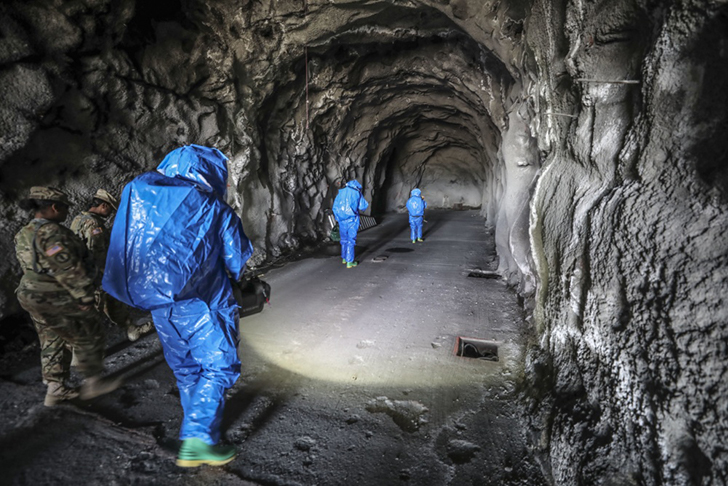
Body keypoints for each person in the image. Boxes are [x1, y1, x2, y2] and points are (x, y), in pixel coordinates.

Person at [103, 144, 254, 468]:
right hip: (203, 304)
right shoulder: (213, 207)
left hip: (161, 306)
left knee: (186, 370)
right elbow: (236, 258)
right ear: (211, 172)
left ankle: (196, 429)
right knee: (218, 366)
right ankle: (198, 439)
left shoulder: (142, 196)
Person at [14, 186, 121, 406]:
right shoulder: (52, 233)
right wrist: (83, 297)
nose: (66, 213)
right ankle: (93, 382)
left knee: (52, 338)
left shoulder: (24, 232)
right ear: (54, 207)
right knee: (90, 332)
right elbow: (67, 268)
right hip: (53, 294)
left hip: (30, 294)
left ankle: (55, 389)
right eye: (64, 208)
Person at [70, 189, 154, 342]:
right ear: (103, 205)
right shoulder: (94, 224)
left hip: (84, 273)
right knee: (95, 309)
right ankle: (87, 347)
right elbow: (97, 253)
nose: (110, 214)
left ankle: (130, 328)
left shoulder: (78, 219)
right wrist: (107, 273)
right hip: (94, 274)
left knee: (113, 301)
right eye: (110, 209)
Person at [332, 179, 369, 268]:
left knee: (343, 239)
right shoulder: (356, 192)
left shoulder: (340, 193)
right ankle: (350, 261)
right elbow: (363, 206)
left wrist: (337, 218)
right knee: (351, 240)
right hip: (352, 219)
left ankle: (344, 258)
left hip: (342, 220)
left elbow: (335, 207)